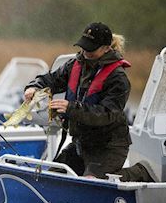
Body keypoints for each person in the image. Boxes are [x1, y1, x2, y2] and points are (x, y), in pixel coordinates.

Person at [24, 22, 153, 182]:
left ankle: (139, 175)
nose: (85, 52)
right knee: (53, 178)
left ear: (106, 48)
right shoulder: (74, 65)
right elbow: (51, 79)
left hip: (109, 147)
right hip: (82, 144)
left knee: (94, 182)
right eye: (84, 46)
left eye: (91, 48)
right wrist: (34, 87)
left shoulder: (118, 78)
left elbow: (107, 114)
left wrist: (70, 108)